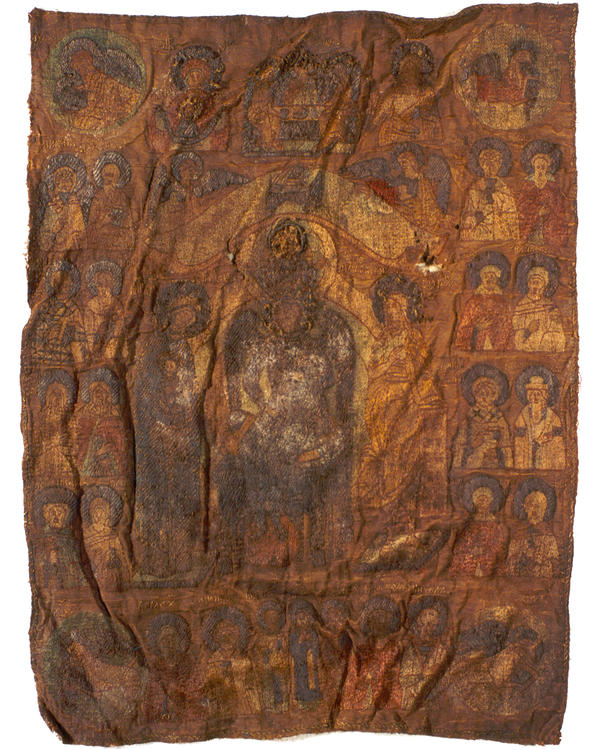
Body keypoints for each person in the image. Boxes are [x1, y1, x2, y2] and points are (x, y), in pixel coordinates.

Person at [358, 275, 441, 509]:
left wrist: (405, 374)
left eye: (396, 308)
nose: (391, 313)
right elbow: (371, 370)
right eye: (387, 308)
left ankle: (392, 491)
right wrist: (385, 366)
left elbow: (423, 369)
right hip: (377, 397)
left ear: (405, 311)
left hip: (403, 397)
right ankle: (377, 490)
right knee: (376, 444)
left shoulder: (413, 338)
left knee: (396, 442)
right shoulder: (381, 341)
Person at [376, 42, 442, 144]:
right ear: (399, 72)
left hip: (422, 138)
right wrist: (392, 124)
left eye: (414, 66)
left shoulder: (427, 93)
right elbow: (377, 122)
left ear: (422, 73)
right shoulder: (392, 95)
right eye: (406, 66)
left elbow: (435, 125)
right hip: (394, 139)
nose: (410, 71)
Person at [453, 366, 513, 469]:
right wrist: (457, 464)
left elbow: (505, 443)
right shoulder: (470, 417)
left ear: (494, 396)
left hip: (494, 461)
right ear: (475, 395)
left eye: (487, 394)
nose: (484, 397)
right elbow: (460, 441)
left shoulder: (498, 417)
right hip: (473, 460)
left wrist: (509, 465)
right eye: (480, 394)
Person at [460, 142, 519, 241]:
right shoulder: (475, 188)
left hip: (501, 235)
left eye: (494, 162)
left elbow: (512, 215)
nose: (491, 166)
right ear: (481, 164)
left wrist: (496, 199)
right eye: (487, 162)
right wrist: (475, 218)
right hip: (480, 235)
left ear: (499, 164)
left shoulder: (504, 189)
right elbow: (467, 215)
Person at [449, 479, 508, 577]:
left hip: (489, 558)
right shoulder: (469, 522)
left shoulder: (496, 524)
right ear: (474, 502)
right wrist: (472, 550)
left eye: (485, 500)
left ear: (490, 501)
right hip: (471, 557)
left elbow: (500, 544)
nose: (482, 503)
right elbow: (463, 543)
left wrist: (485, 551)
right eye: (479, 500)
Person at [454, 253, 512, 351]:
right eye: (486, 276)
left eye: (492, 276)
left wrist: (495, 329)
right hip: (476, 348)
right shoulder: (473, 302)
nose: (489, 279)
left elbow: (507, 328)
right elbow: (463, 329)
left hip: (497, 349)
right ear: (481, 279)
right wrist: (476, 329)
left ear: (497, 280)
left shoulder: (503, 303)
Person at [514, 370, 565, 469]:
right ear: (528, 396)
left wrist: (544, 441)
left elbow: (558, 442)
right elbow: (519, 441)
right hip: (527, 460)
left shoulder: (553, 418)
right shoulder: (523, 416)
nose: (535, 398)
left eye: (538, 394)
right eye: (532, 394)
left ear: (544, 396)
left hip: (547, 460)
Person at [518, 144, 568, 247]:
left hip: (549, 222)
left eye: (543, 167)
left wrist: (549, 209)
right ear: (534, 168)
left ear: (547, 169)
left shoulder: (552, 186)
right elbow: (522, 206)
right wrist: (537, 212)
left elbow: (559, 206)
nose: (540, 170)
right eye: (538, 167)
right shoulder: (528, 185)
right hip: (531, 223)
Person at [507, 480, 559, 577]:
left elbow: (554, 565)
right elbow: (510, 563)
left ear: (545, 509)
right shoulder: (518, 535)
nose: (535, 510)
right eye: (531, 505)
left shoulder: (549, 537)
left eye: (539, 506)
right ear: (525, 507)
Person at [512, 265, 565, 352]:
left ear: (544, 286)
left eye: (539, 282)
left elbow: (556, 328)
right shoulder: (522, 305)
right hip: (527, 340)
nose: (535, 285)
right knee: (519, 335)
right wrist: (528, 329)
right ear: (528, 284)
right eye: (533, 281)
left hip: (545, 343)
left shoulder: (549, 305)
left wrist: (556, 321)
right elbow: (515, 324)